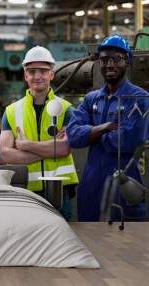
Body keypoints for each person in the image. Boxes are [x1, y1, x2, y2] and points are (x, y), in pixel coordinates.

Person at [66, 34, 149, 221]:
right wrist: (103, 128)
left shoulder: (140, 99)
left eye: (116, 59)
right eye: (104, 59)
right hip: (91, 184)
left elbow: (126, 141)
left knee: (124, 243)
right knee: (89, 240)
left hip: (123, 183)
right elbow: (72, 136)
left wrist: (90, 134)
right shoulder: (91, 98)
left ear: (127, 61)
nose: (109, 64)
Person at [0, 46, 79, 221]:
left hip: (60, 189)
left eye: (43, 71)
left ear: (51, 74)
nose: (37, 76)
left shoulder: (66, 110)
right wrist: (50, 149)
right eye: (32, 71)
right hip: (26, 189)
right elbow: (5, 154)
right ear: (25, 75)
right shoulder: (11, 111)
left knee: (63, 240)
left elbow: (65, 149)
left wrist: (27, 146)